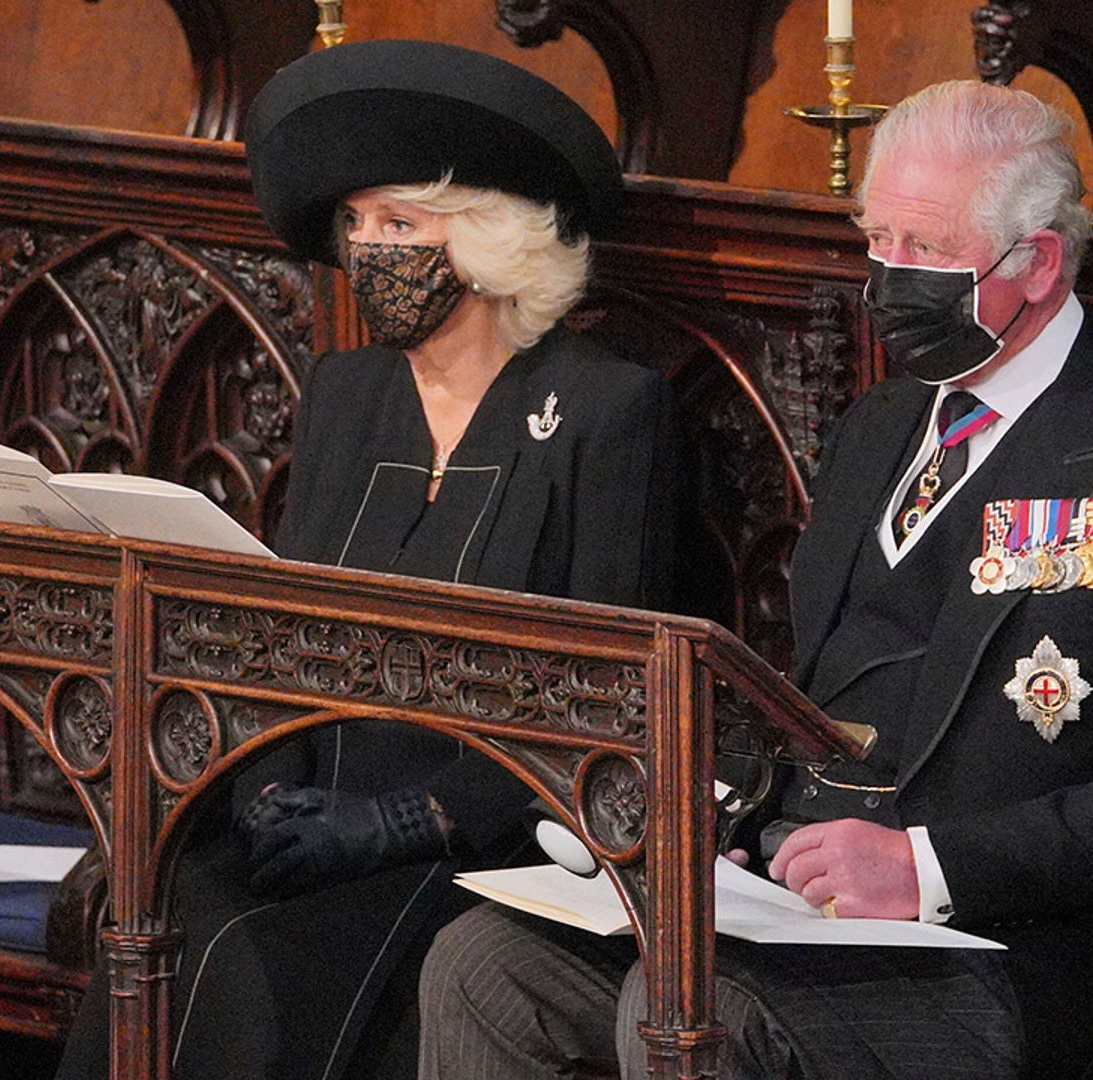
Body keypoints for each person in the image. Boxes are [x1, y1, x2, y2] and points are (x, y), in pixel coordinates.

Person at [416, 78, 1093, 1080]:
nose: (888, 278)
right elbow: (817, 689)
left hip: (1003, 944)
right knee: (484, 965)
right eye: (878, 241)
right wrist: (717, 813)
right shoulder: (882, 425)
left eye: (924, 250)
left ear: (1038, 263)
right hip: (794, 901)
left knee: (694, 1010)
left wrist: (924, 867)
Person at [54, 39, 688, 1080]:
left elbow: (610, 697)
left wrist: (416, 818)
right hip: (309, 814)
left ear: (489, 238)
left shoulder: (606, 409)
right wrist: (265, 784)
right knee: (163, 928)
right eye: (354, 224)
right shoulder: (349, 393)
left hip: (480, 846)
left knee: (285, 972)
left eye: (399, 222)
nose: (364, 249)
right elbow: (283, 633)